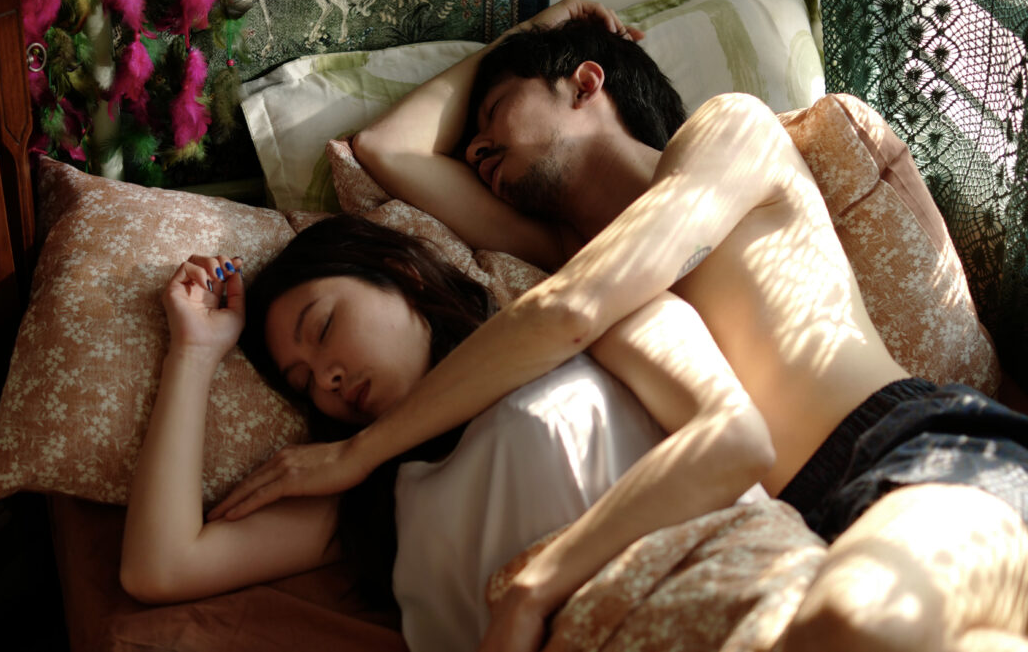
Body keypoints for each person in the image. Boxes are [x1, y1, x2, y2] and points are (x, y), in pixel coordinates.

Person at [206, 0, 1028, 652]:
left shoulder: (730, 134)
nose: (477, 149)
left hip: (920, 449)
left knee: (859, 620)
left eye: (495, 113)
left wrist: (358, 452)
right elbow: (388, 150)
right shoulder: (572, 258)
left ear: (586, 83)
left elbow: (569, 310)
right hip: (815, 524)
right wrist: (542, 29)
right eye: (473, 141)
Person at [121, 213, 769, 651]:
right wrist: (193, 354)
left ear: (398, 271)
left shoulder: (598, 326)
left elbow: (739, 446)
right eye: (304, 381)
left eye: (323, 328)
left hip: (734, 603)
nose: (328, 380)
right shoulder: (367, 497)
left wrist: (532, 593)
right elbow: (161, 566)